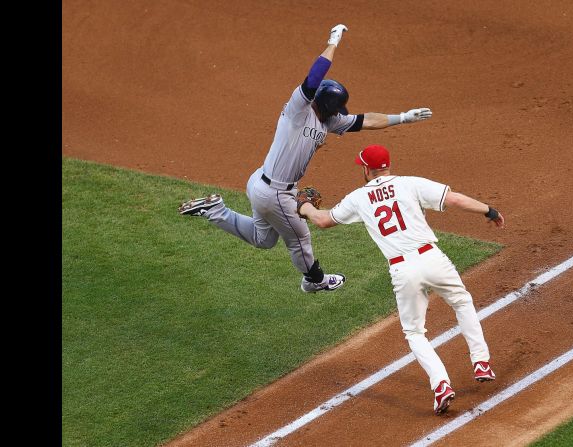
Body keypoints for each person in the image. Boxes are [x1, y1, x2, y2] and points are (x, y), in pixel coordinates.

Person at [178, 24, 433, 293]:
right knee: (300, 237)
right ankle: (315, 280)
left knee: (262, 239)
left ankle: (215, 210)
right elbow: (314, 76)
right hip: (275, 191)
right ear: (326, 105)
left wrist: (403, 118)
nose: (340, 114)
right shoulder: (298, 109)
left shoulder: (329, 120)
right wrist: (333, 42)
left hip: (262, 184)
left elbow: (365, 120)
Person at [297, 144, 505, 415]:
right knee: (462, 302)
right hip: (432, 258)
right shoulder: (410, 184)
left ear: (366, 169)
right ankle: (481, 362)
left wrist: (304, 209)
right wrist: (488, 210)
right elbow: (453, 199)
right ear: (387, 165)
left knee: (415, 332)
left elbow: (323, 220)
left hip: (402, 269)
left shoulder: (359, 198)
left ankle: (440, 383)